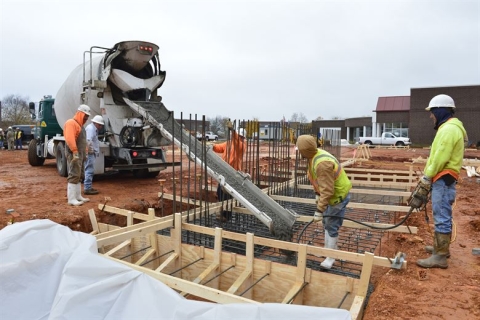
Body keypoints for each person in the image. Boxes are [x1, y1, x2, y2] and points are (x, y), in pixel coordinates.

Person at [416, 94, 468, 269]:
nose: (431, 115)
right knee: (441, 212)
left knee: (441, 214)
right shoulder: (450, 128)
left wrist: (427, 176)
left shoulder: (448, 130)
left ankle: (439, 256)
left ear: (440, 110)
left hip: (443, 177)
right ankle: (441, 249)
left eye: (432, 112)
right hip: (444, 177)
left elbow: (440, 157)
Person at [296, 134, 352, 269]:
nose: (298, 152)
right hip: (330, 196)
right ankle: (329, 250)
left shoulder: (322, 164)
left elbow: (327, 191)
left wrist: (319, 210)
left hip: (337, 197)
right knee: (327, 223)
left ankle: (330, 257)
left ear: (305, 151)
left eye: (299, 149)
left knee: (331, 225)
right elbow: (317, 180)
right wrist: (317, 194)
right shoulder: (314, 157)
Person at [211, 121, 247, 222]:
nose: (240, 138)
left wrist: (232, 130)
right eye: (240, 137)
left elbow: (236, 141)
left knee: (228, 195)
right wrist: (212, 146)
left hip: (232, 172)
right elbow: (219, 148)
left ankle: (226, 216)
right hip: (223, 171)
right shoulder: (229, 143)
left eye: (241, 137)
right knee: (220, 192)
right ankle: (222, 213)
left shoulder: (241, 146)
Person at [64, 104, 91, 206]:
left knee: (80, 175)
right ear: (80, 114)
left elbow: (83, 141)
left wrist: (86, 152)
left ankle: (78, 196)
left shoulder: (81, 126)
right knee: (74, 174)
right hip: (75, 154)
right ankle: (71, 199)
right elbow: (70, 139)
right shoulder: (71, 123)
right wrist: (75, 152)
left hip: (81, 154)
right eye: (85, 115)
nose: (86, 118)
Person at [84, 115, 104, 195]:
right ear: (95, 123)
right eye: (99, 125)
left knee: (89, 169)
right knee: (89, 170)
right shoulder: (91, 129)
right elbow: (88, 140)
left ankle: (88, 187)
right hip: (90, 153)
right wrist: (90, 151)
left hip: (90, 152)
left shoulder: (93, 129)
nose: (100, 126)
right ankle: (87, 188)